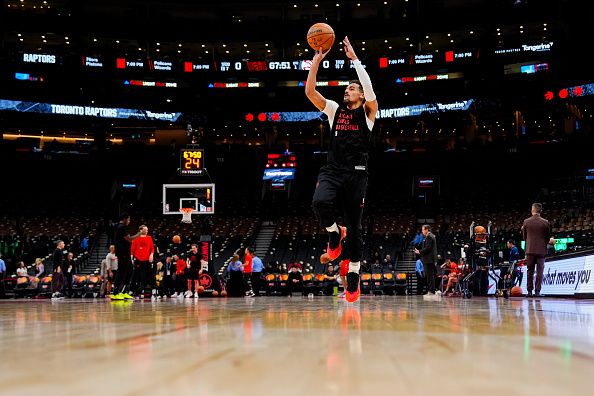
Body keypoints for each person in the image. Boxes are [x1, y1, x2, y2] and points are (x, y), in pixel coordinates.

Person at [306, 36, 378, 303]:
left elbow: (370, 91)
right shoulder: (336, 111)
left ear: (360, 95)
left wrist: (355, 61)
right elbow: (311, 93)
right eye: (346, 88)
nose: (346, 91)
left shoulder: (369, 113)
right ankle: (334, 233)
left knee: (356, 228)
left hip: (357, 174)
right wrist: (315, 64)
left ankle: (354, 274)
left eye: (351, 88)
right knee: (319, 201)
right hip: (333, 170)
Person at [521, 203, 550, 297]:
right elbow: (547, 237)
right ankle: (537, 292)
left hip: (530, 249)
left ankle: (529, 292)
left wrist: (530, 242)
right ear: (541, 211)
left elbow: (524, 237)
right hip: (541, 250)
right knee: (539, 271)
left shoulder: (526, 221)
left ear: (532, 210)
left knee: (530, 271)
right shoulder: (546, 222)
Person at [111, 213, 140, 300]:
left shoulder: (120, 227)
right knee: (121, 272)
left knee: (130, 271)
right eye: (128, 219)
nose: (129, 221)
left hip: (125, 253)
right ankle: (115, 293)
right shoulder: (121, 227)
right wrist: (139, 233)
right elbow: (130, 239)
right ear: (124, 219)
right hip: (122, 253)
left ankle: (124, 292)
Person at [129, 225, 155, 299]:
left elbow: (152, 248)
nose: (147, 231)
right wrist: (131, 257)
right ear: (141, 230)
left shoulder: (149, 238)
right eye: (145, 229)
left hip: (147, 259)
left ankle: (154, 290)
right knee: (135, 275)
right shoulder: (136, 238)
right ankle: (131, 290)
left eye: (147, 229)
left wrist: (151, 254)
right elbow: (132, 248)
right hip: (138, 259)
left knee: (149, 275)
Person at [415, 225, 437, 295]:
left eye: (423, 230)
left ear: (427, 229)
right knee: (429, 276)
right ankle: (431, 290)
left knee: (429, 276)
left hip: (429, 260)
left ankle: (431, 291)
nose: (422, 231)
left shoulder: (429, 237)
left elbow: (428, 248)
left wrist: (419, 252)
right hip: (429, 259)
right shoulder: (430, 236)